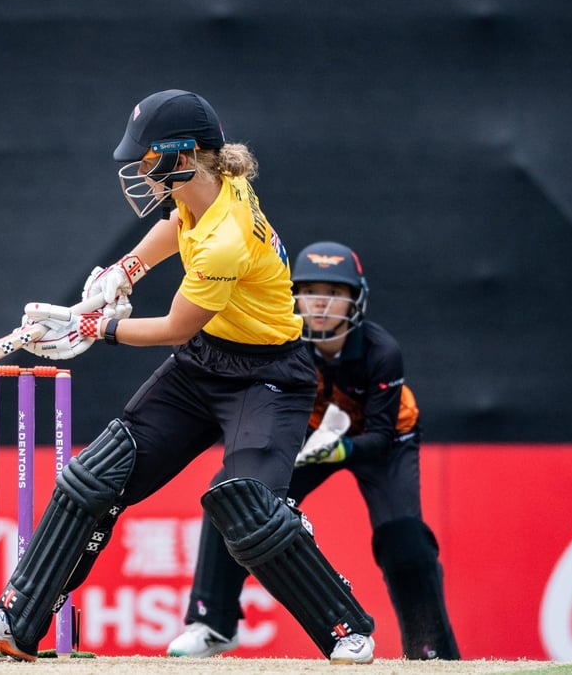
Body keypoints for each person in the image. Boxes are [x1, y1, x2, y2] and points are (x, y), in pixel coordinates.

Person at [0, 90, 376, 664]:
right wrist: (127, 268)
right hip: (206, 362)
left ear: (183, 157)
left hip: (269, 378)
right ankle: (17, 621)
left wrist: (97, 329)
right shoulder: (213, 184)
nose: (140, 170)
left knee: (248, 505)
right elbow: (178, 224)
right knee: (96, 474)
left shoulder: (227, 238)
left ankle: (345, 628)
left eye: (149, 159)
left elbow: (177, 325)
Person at [167, 241, 460, 661]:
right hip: (309, 435)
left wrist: (337, 450)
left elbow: (378, 439)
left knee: (405, 542)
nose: (320, 304)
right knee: (234, 495)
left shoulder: (382, 352)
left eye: (334, 293)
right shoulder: (282, 340)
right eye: (310, 292)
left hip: (385, 442)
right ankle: (212, 622)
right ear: (293, 296)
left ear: (355, 300)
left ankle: (434, 651)